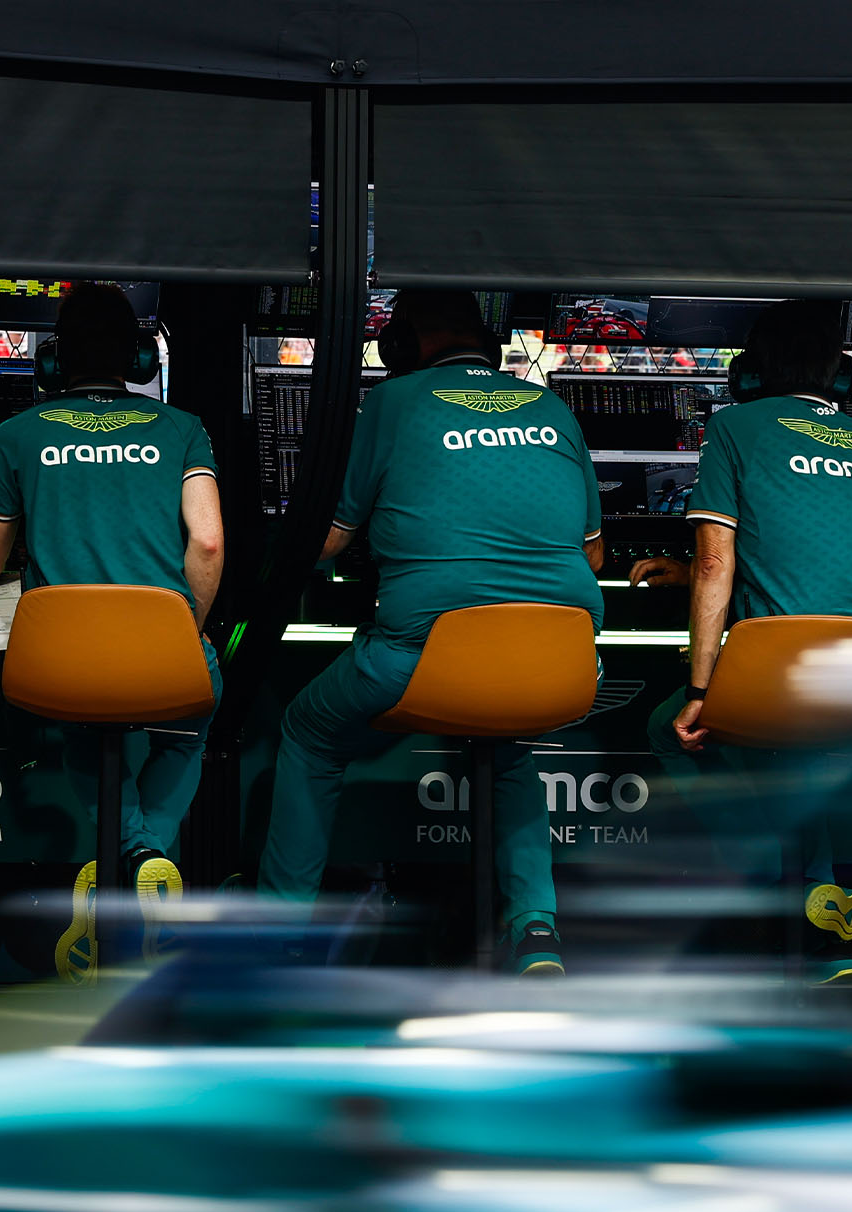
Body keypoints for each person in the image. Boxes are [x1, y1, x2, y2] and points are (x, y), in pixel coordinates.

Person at [255, 288, 603, 974]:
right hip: (561, 659)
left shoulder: (390, 403)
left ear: (400, 345)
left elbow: (328, 540)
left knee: (308, 733)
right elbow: (591, 555)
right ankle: (535, 929)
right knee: (508, 744)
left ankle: (280, 930)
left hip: (421, 658)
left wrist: (263, 551)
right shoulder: (552, 408)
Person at [636, 299, 852, 983]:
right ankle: (825, 926)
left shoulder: (735, 426)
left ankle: (761, 865)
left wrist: (701, 687)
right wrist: (686, 573)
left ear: (748, 373)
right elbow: (818, 555)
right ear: (841, 375)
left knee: (671, 727)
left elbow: (717, 560)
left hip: (799, 664)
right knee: (797, 755)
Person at [0, 282, 223, 981]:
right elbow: (208, 543)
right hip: (163, 655)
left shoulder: (18, 435)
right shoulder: (183, 428)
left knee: (81, 723)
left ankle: (126, 855)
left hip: (60, 664)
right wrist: (187, 631)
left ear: (52, 361)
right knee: (186, 731)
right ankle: (145, 853)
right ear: (138, 359)